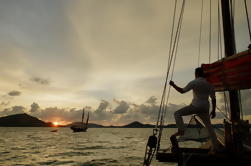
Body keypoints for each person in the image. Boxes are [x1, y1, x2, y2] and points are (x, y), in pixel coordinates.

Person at [169, 67, 219, 151]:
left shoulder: (194, 82)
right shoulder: (209, 84)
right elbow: (213, 98)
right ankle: (216, 148)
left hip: (195, 106)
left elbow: (182, 91)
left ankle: (181, 130)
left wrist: (173, 85)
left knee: (177, 113)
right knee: (209, 128)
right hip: (205, 107)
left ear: (196, 74)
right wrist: (213, 111)